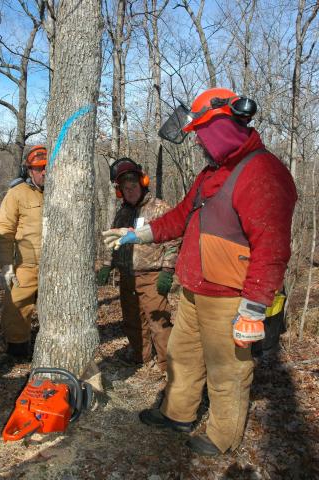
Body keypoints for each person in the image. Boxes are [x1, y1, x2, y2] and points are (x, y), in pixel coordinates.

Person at [102, 88, 297, 456]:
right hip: (194, 288)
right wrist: (137, 233)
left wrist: (254, 309)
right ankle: (177, 414)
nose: (199, 146)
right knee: (182, 355)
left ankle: (223, 435)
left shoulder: (263, 172)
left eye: (202, 137)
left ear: (221, 128)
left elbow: (272, 249)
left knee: (228, 371)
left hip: (231, 295)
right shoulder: (211, 173)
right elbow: (178, 217)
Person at [97, 158, 179, 373]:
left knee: (158, 321)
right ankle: (140, 355)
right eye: (125, 188)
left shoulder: (160, 208)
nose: (130, 191)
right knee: (132, 320)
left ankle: (167, 365)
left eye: (133, 186)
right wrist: (108, 264)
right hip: (127, 275)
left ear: (142, 184)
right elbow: (113, 240)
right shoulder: (123, 212)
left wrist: (168, 270)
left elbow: (174, 240)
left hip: (151, 274)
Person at [0, 145, 46, 358]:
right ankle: (16, 351)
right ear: (29, 170)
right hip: (26, 264)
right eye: (38, 168)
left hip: (57, 266)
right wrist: (7, 266)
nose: (44, 172)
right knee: (15, 308)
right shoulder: (17, 193)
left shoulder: (64, 192)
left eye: (47, 168)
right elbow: (4, 230)